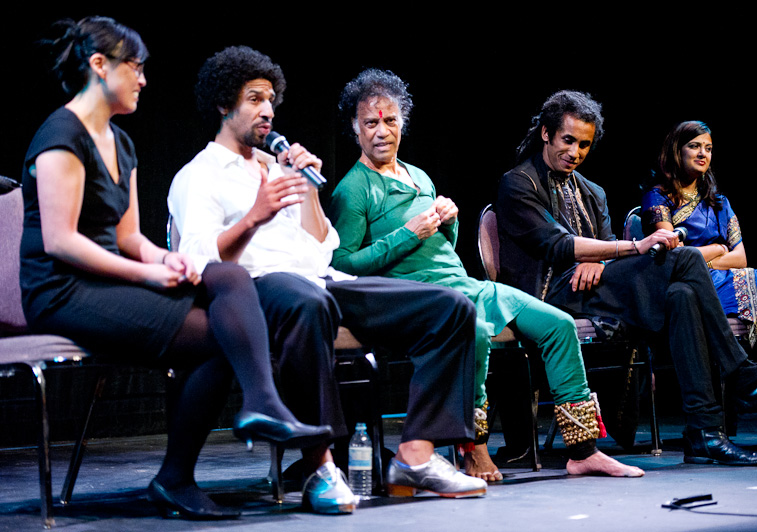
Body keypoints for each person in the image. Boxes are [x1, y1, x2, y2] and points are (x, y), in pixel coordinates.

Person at [19, 17, 331, 521]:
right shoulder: (61, 135)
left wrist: (167, 258)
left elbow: (128, 238)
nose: (143, 80)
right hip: (62, 291)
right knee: (220, 335)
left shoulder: (120, 143)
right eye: (135, 68)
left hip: (105, 283)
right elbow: (61, 242)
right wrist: (147, 275)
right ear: (99, 66)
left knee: (227, 278)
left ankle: (258, 405)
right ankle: (178, 476)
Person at [167, 46, 487, 512]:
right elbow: (201, 261)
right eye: (254, 99)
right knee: (307, 303)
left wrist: (307, 189)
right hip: (257, 286)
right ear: (222, 104)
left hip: (319, 278)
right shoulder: (198, 176)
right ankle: (320, 465)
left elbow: (321, 246)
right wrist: (255, 216)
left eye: (271, 99)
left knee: (450, 308)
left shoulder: (276, 167)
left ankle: (415, 455)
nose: (267, 110)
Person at [328, 69, 645, 480]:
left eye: (390, 120)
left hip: (465, 285)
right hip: (418, 296)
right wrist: (408, 234)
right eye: (370, 122)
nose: (382, 131)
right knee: (472, 331)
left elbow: (441, 247)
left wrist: (450, 222)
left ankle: (583, 451)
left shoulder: (418, 175)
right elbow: (343, 263)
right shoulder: (353, 189)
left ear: (402, 122)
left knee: (559, 325)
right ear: (355, 128)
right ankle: (472, 448)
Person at [495, 90, 757, 466]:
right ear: (546, 133)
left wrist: (600, 259)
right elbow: (556, 245)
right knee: (686, 257)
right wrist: (631, 247)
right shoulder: (518, 183)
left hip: (596, 290)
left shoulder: (592, 191)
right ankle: (747, 380)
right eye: (568, 140)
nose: (575, 152)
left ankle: (705, 432)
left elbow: (604, 243)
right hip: (546, 294)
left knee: (682, 295)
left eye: (584, 145)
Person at [642, 120, 757, 443]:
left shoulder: (719, 202)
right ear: (677, 150)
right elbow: (673, 254)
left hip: (726, 276)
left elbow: (740, 258)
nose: (703, 153)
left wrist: (708, 258)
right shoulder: (657, 198)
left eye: (709, 148)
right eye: (695, 146)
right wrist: (716, 249)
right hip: (686, 284)